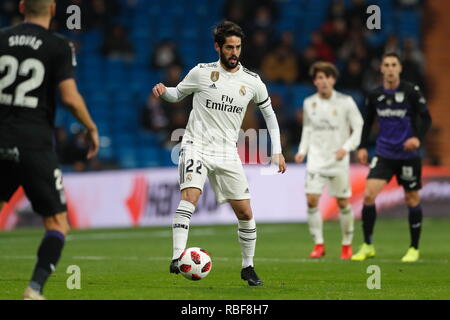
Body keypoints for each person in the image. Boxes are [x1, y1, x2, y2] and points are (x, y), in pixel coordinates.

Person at [152, 21, 286, 286]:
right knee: (190, 196)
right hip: (195, 145)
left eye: (237, 47)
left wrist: (277, 151)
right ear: (218, 47)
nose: (234, 52)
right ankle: (178, 256)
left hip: (226, 152)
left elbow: (269, 115)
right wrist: (163, 92)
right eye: (229, 47)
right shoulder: (201, 72)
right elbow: (177, 94)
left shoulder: (252, 81)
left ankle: (248, 267)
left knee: (246, 213)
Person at [0, 0, 99, 299]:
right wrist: (90, 127)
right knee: (57, 222)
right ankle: (34, 289)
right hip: (35, 143)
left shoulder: (1, 39)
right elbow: (69, 97)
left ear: (21, 6)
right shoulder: (58, 46)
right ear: (53, 9)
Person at [352, 52, 432, 262]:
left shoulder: (411, 91)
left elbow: (426, 118)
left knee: (411, 198)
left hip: (408, 155)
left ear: (399, 68)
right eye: (386, 64)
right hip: (384, 154)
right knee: (369, 195)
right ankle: (368, 245)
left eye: (393, 64)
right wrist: (361, 146)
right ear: (381, 69)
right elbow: (367, 122)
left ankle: (414, 248)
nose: (389, 68)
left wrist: (417, 138)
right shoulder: (375, 94)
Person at [295, 62, 363, 259]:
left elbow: (359, 127)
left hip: (338, 160)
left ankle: (346, 245)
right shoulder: (309, 103)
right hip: (316, 160)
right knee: (311, 200)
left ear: (333, 79)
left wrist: (346, 148)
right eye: (319, 78)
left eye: (327, 77)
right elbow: (307, 129)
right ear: (315, 81)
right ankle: (318, 244)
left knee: (343, 202)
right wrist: (302, 151)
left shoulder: (346, 101)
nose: (323, 81)